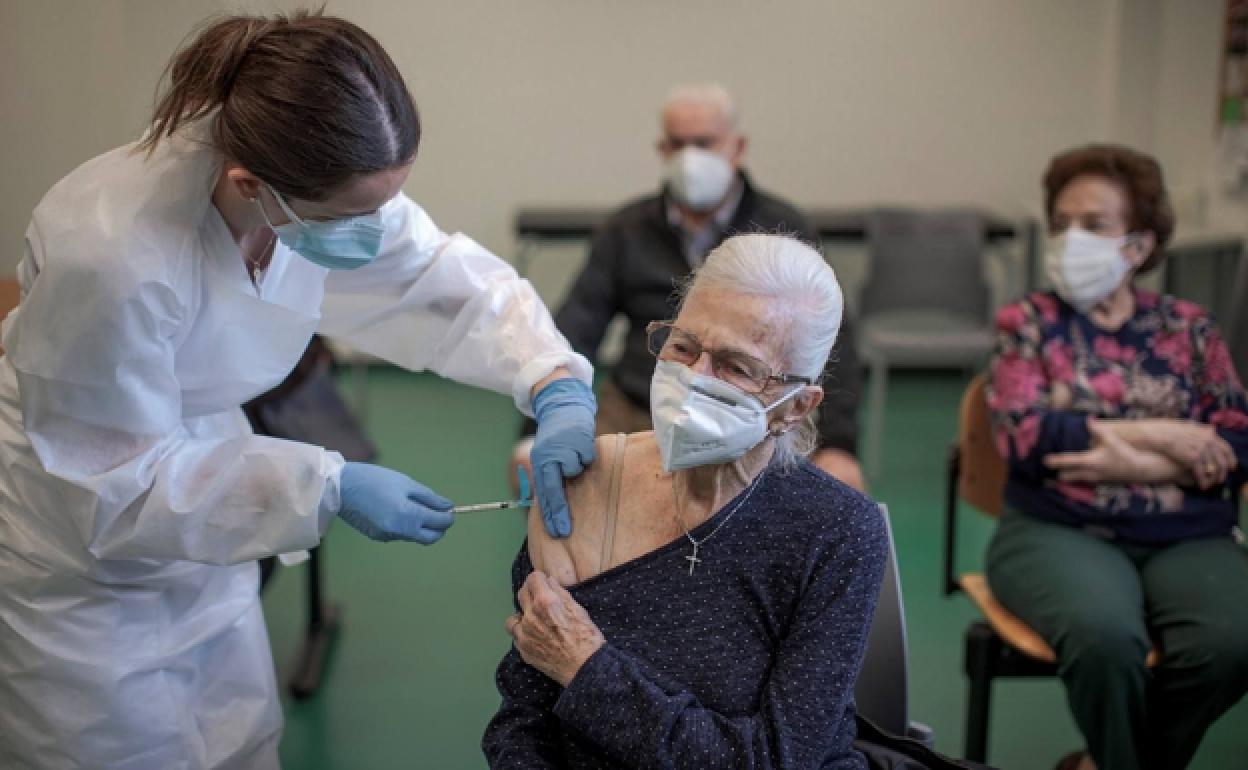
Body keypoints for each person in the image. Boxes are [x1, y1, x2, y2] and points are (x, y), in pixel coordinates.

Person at [0, 12, 596, 769]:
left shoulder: (305, 187)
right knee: (118, 749)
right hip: (77, 553)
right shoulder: (110, 253)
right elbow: (117, 487)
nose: (373, 231)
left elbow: (438, 280)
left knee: (237, 737)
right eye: (354, 215)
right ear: (251, 185)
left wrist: (552, 380)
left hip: (203, 500)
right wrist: (326, 486)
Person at [484, 235, 887, 768]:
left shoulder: (836, 530)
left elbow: (777, 759)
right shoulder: (585, 487)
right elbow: (522, 726)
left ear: (797, 406)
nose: (693, 378)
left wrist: (586, 667)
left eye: (737, 367)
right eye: (682, 346)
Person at [986, 144, 1248, 770]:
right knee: (1106, 639)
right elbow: (1027, 435)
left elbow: (1237, 443)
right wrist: (1170, 439)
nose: (1070, 239)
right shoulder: (1029, 323)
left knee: (1232, 641)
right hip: (1059, 528)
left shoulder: (1190, 330)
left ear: (1138, 245)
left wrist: (1130, 462)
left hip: (1188, 534)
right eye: (1062, 223)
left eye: (1094, 225)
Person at [513, 84, 865, 492]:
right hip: (641, 402)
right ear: (661, 150)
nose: (690, 158)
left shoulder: (783, 229)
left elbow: (834, 341)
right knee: (553, 475)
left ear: (737, 147)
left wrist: (840, 445)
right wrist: (539, 425)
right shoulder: (626, 229)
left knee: (828, 495)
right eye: (678, 144)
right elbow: (577, 325)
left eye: (704, 143)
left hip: (750, 412)